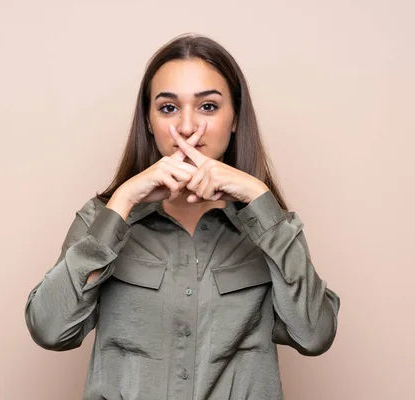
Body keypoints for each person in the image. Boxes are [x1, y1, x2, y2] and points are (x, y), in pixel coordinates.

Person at [25, 33, 341, 400]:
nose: (188, 128)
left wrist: (258, 197)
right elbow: (49, 329)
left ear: (235, 117)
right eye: (168, 108)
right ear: (148, 120)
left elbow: (315, 335)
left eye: (208, 107)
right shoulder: (105, 216)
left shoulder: (270, 226)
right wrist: (125, 199)